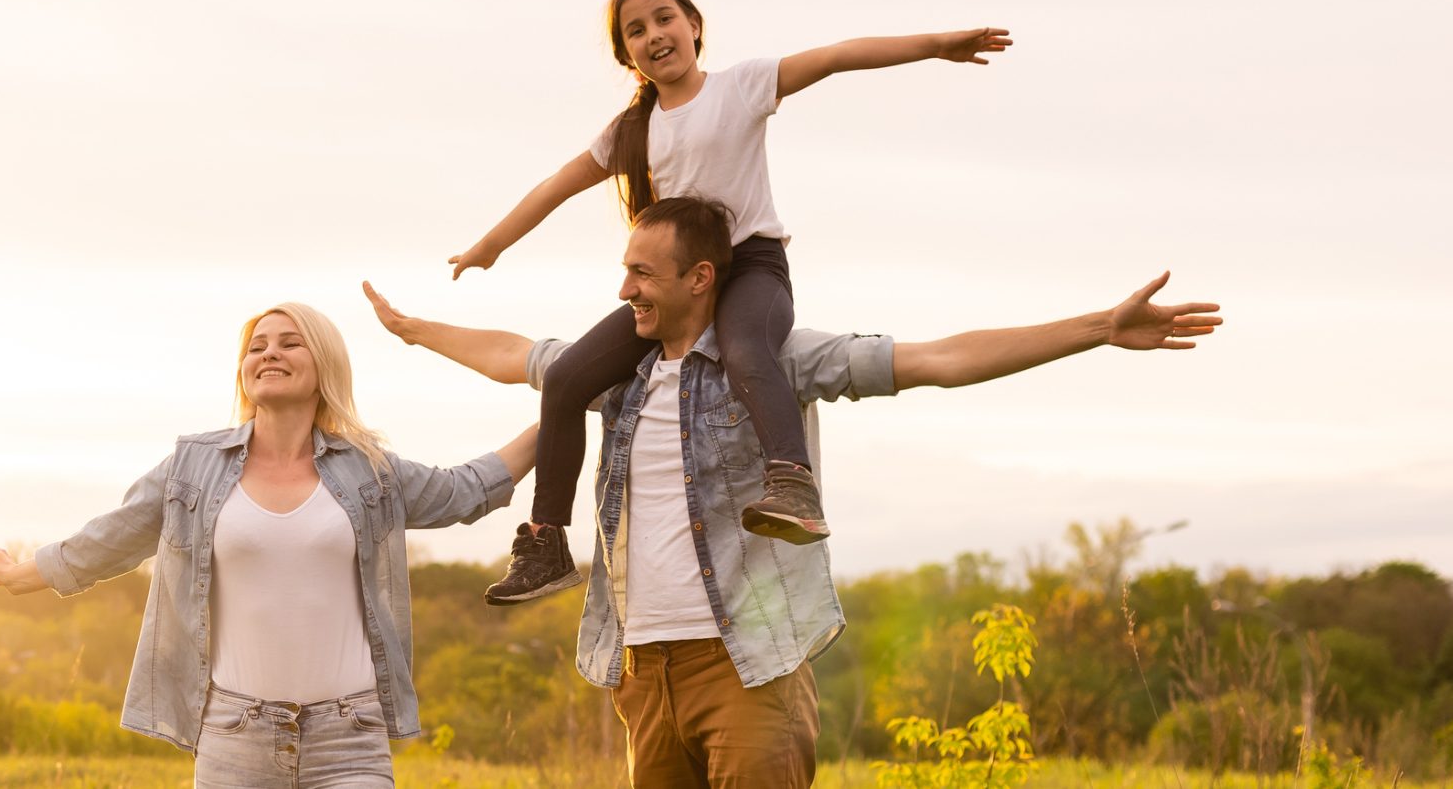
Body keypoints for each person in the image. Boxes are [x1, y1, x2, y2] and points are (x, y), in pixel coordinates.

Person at [368, 195, 1224, 788]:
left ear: (701, 277)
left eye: (641, 272)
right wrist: (414, 332)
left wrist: (1097, 330)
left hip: (745, 665)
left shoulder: (779, 361)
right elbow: (512, 353)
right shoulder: (615, 374)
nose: (623, 289)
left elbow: (937, 360)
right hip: (641, 667)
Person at [448, 0, 1014, 604]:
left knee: (746, 351)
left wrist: (935, 44)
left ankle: (792, 483)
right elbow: (557, 184)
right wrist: (490, 246)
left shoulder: (741, 87)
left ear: (693, 25)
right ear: (626, 55)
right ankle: (547, 540)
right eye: (636, 30)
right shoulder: (630, 132)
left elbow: (834, 58)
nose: (655, 35)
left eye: (665, 18)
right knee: (567, 377)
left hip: (750, 268)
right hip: (675, 285)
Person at [0, 301, 540, 788]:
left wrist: (564, 406)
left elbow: (465, 490)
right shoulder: (193, 465)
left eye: (290, 343)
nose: (268, 353)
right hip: (233, 737)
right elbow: (113, 535)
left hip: (351, 736)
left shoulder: (371, 472)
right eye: (256, 347)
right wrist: (24, 573)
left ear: (324, 367)